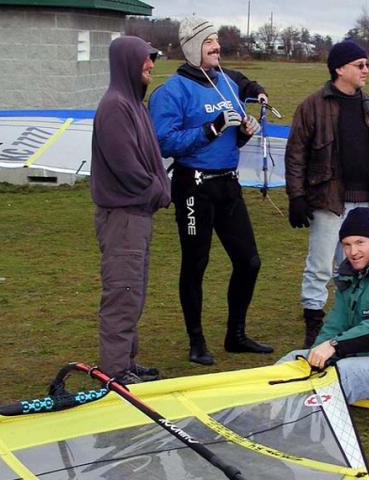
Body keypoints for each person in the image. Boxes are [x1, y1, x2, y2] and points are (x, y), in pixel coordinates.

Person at [148, 16, 273, 365]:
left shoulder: (226, 84)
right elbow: (163, 143)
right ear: (191, 48)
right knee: (196, 263)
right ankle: (196, 341)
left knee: (249, 261)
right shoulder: (171, 92)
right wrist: (211, 128)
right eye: (208, 42)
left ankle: (235, 335)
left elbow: (234, 133)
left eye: (216, 40)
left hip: (228, 185)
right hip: (193, 188)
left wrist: (245, 129)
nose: (216, 47)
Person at [284, 40, 369, 349]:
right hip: (328, 198)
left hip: (363, 200)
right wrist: (296, 197)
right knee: (321, 264)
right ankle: (313, 322)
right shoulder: (312, 105)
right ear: (339, 69)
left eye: (367, 65)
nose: (366, 70)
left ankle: (352, 321)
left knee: (356, 263)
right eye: (359, 65)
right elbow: (295, 154)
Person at [279, 207, 369, 404]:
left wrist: (335, 346)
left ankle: (297, 420)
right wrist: (315, 355)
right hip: (358, 355)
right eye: (347, 245)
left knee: (342, 374)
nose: (353, 252)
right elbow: (335, 324)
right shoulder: (350, 276)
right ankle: (257, 410)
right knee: (294, 360)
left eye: (360, 243)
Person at [90, 36, 171, 384]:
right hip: (123, 217)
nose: (150, 65)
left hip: (136, 216)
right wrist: (157, 190)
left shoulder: (134, 105)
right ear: (127, 62)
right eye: (145, 60)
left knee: (133, 292)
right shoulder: (115, 108)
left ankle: (126, 361)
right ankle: (115, 372)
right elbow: (127, 166)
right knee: (122, 294)